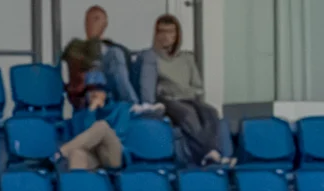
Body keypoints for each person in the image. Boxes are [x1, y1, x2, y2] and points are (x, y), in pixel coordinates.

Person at [141, 15, 232, 167]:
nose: (165, 36)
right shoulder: (151, 57)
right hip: (168, 100)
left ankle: (211, 152)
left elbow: (197, 86)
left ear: (177, 35)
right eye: (161, 32)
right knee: (188, 114)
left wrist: (187, 92)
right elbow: (152, 88)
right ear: (156, 34)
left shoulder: (187, 58)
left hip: (189, 97)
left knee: (210, 112)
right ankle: (210, 153)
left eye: (170, 32)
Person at [58, 72, 144, 172]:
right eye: (90, 90)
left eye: (99, 89)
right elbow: (82, 139)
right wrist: (91, 111)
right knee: (76, 153)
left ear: (106, 92)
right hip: (93, 156)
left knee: (102, 126)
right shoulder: (79, 116)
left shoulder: (121, 108)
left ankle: (60, 154)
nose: (94, 93)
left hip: (113, 155)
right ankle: (78, 185)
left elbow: (119, 134)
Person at [60, 5, 137, 109]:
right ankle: (132, 104)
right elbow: (79, 71)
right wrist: (94, 41)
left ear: (105, 24)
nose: (91, 23)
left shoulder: (117, 49)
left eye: (96, 19)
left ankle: (132, 105)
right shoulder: (75, 46)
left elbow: (124, 77)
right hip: (87, 91)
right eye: (88, 20)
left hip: (112, 91)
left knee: (115, 53)